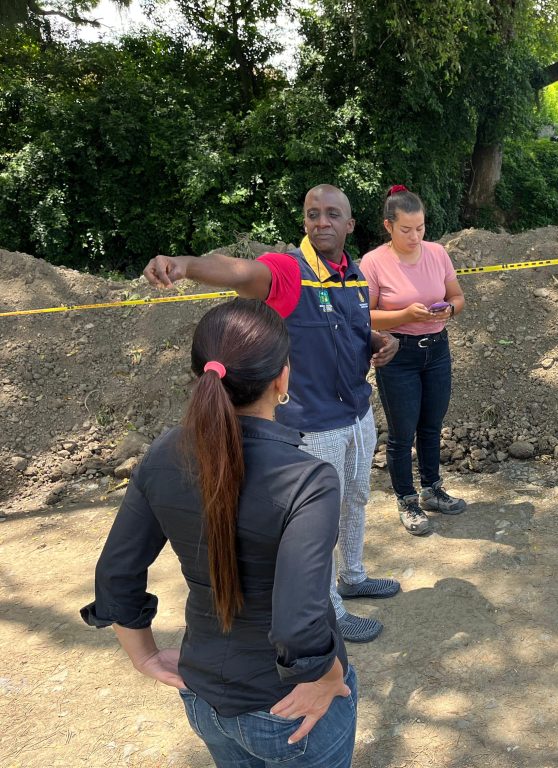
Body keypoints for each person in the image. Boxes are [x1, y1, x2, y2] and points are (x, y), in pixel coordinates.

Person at [82, 299, 358, 767]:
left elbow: (116, 572)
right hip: (291, 707)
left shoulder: (164, 452)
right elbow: (297, 624)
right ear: (282, 379)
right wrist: (329, 677)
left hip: (203, 694)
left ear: (202, 375)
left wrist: (143, 656)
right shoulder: (308, 480)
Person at [143, 184, 400, 644]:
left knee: (356, 499)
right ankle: (329, 608)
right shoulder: (288, 271)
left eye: (332, 214)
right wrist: (186, 266)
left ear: (349, 224)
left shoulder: (356, 277)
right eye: (312, 213)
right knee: (319, 520)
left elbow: (354, 331)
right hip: (312, 426)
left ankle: (354, 576)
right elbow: (240, 271)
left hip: (358, 415)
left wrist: (380, 342)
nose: (321, 221)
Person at [359, 185, 467, 536]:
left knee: (432, 425)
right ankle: (406, 499)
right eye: (406, 229)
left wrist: (449, 310)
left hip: (437, 349)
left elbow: (458, 297)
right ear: (388, 226)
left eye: (420, 228)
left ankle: (432, 489)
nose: (415, 236)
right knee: (402, 432)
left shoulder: (437, 254)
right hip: (398, 353)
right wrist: (404, 314)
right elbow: (364, 315)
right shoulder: (373, 262)